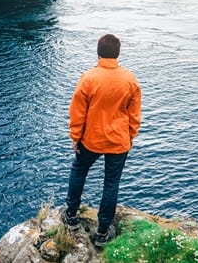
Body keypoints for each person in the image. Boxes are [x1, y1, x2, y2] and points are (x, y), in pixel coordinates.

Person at [62, 33, 142, 246]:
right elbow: (134, 115)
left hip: (91, 139)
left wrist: (75, 137)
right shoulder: (130, 79)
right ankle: (103, 232)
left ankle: (71, 215)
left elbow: (77, 112)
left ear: (98, 52)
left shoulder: (89, 78)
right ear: (118, 53)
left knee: (79, 170)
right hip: (118, 141)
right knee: (111, 183)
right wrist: (130, 136)